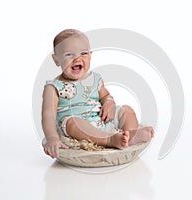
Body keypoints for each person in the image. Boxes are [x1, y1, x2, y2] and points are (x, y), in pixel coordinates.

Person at [42, 29, 154, 159]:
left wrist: (109, 103)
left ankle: (130, 136)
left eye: (83, 53)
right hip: (76, 129)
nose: (77, 58)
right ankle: (110, 140)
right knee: (73, 123)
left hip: (101, 121)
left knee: (126, 110)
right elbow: (48, 114)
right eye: (69, 54)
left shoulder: (96, 79)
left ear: (90, 55)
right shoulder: (53, 87)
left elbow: (106, 96)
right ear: (56, 60)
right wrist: (52, 138)